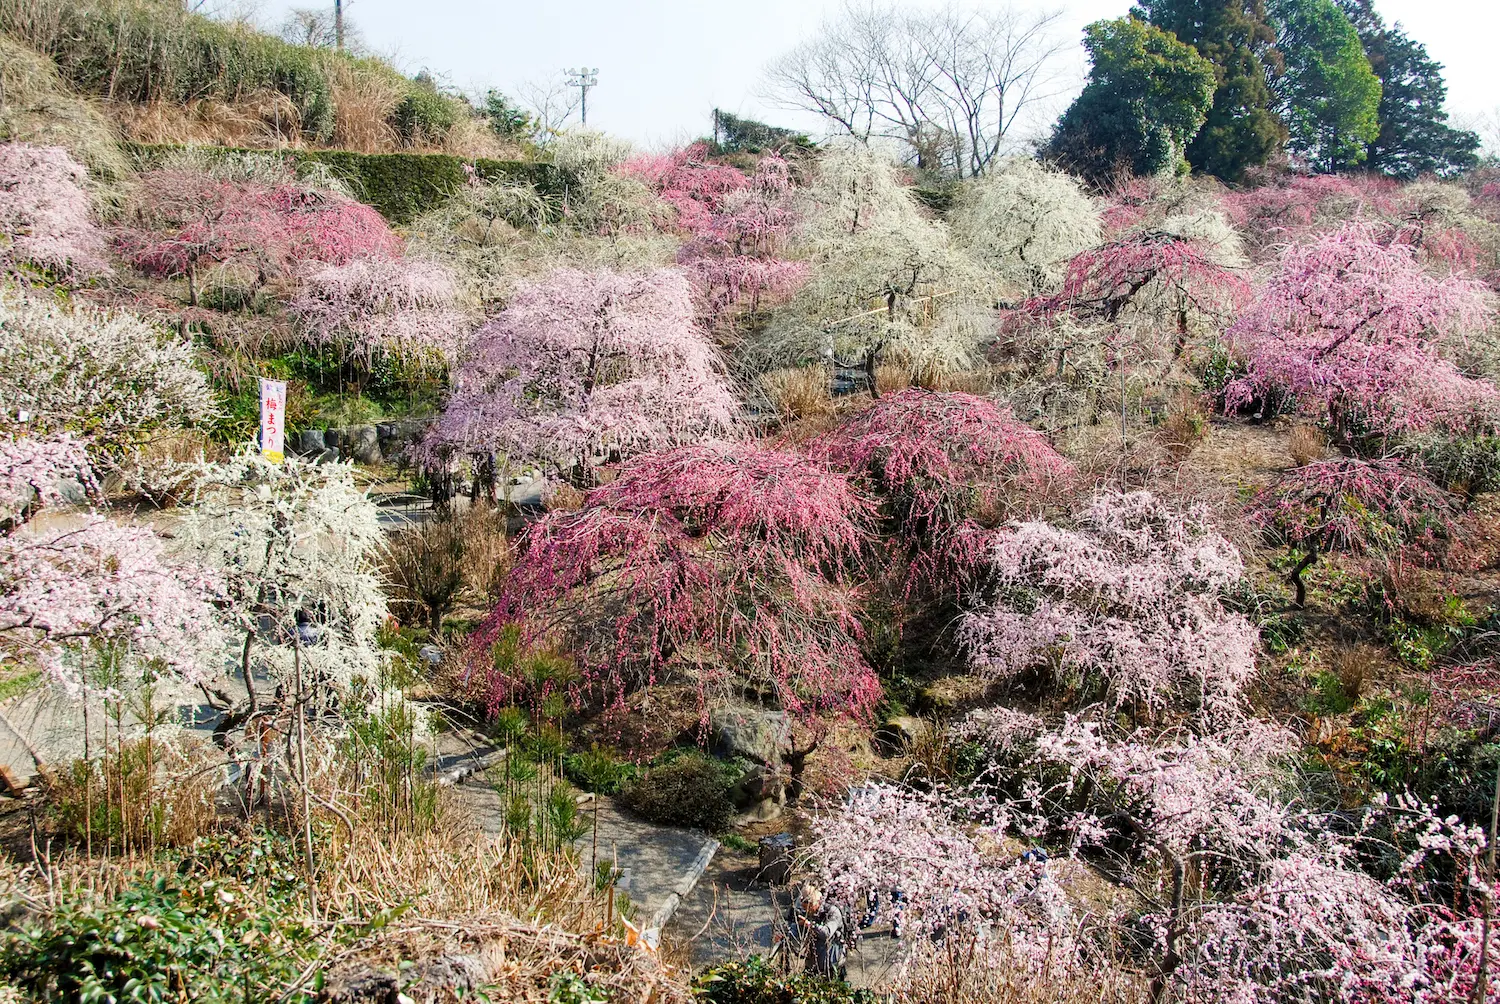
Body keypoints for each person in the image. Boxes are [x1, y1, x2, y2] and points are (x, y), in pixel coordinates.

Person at [797, 884, 848, 980]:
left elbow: (827, 933)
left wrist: (810, 925)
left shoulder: (832, 912)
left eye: (809, 907)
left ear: (817, 903)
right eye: (804, 907)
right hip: (813, 962)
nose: (807, 910)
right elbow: (797, 930)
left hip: (832, 962)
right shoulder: (804, 912)